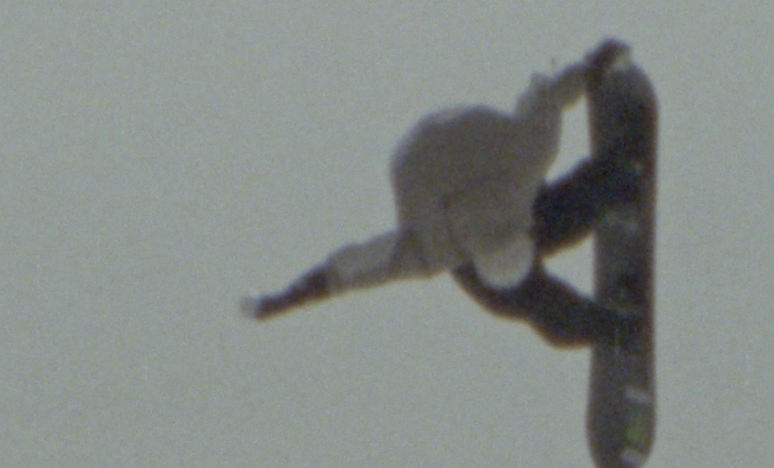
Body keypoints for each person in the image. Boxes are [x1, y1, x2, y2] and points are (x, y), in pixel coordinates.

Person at [244, 41, 641, 349]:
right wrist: (598, 66)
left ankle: (609, 326)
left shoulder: (521, 160)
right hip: (442, 154)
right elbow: (548, 96)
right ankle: (616, 180)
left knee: (535, 294)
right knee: (549, 241)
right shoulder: (524, 159)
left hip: (452, 149)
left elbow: (345, 271)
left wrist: (597, 67)